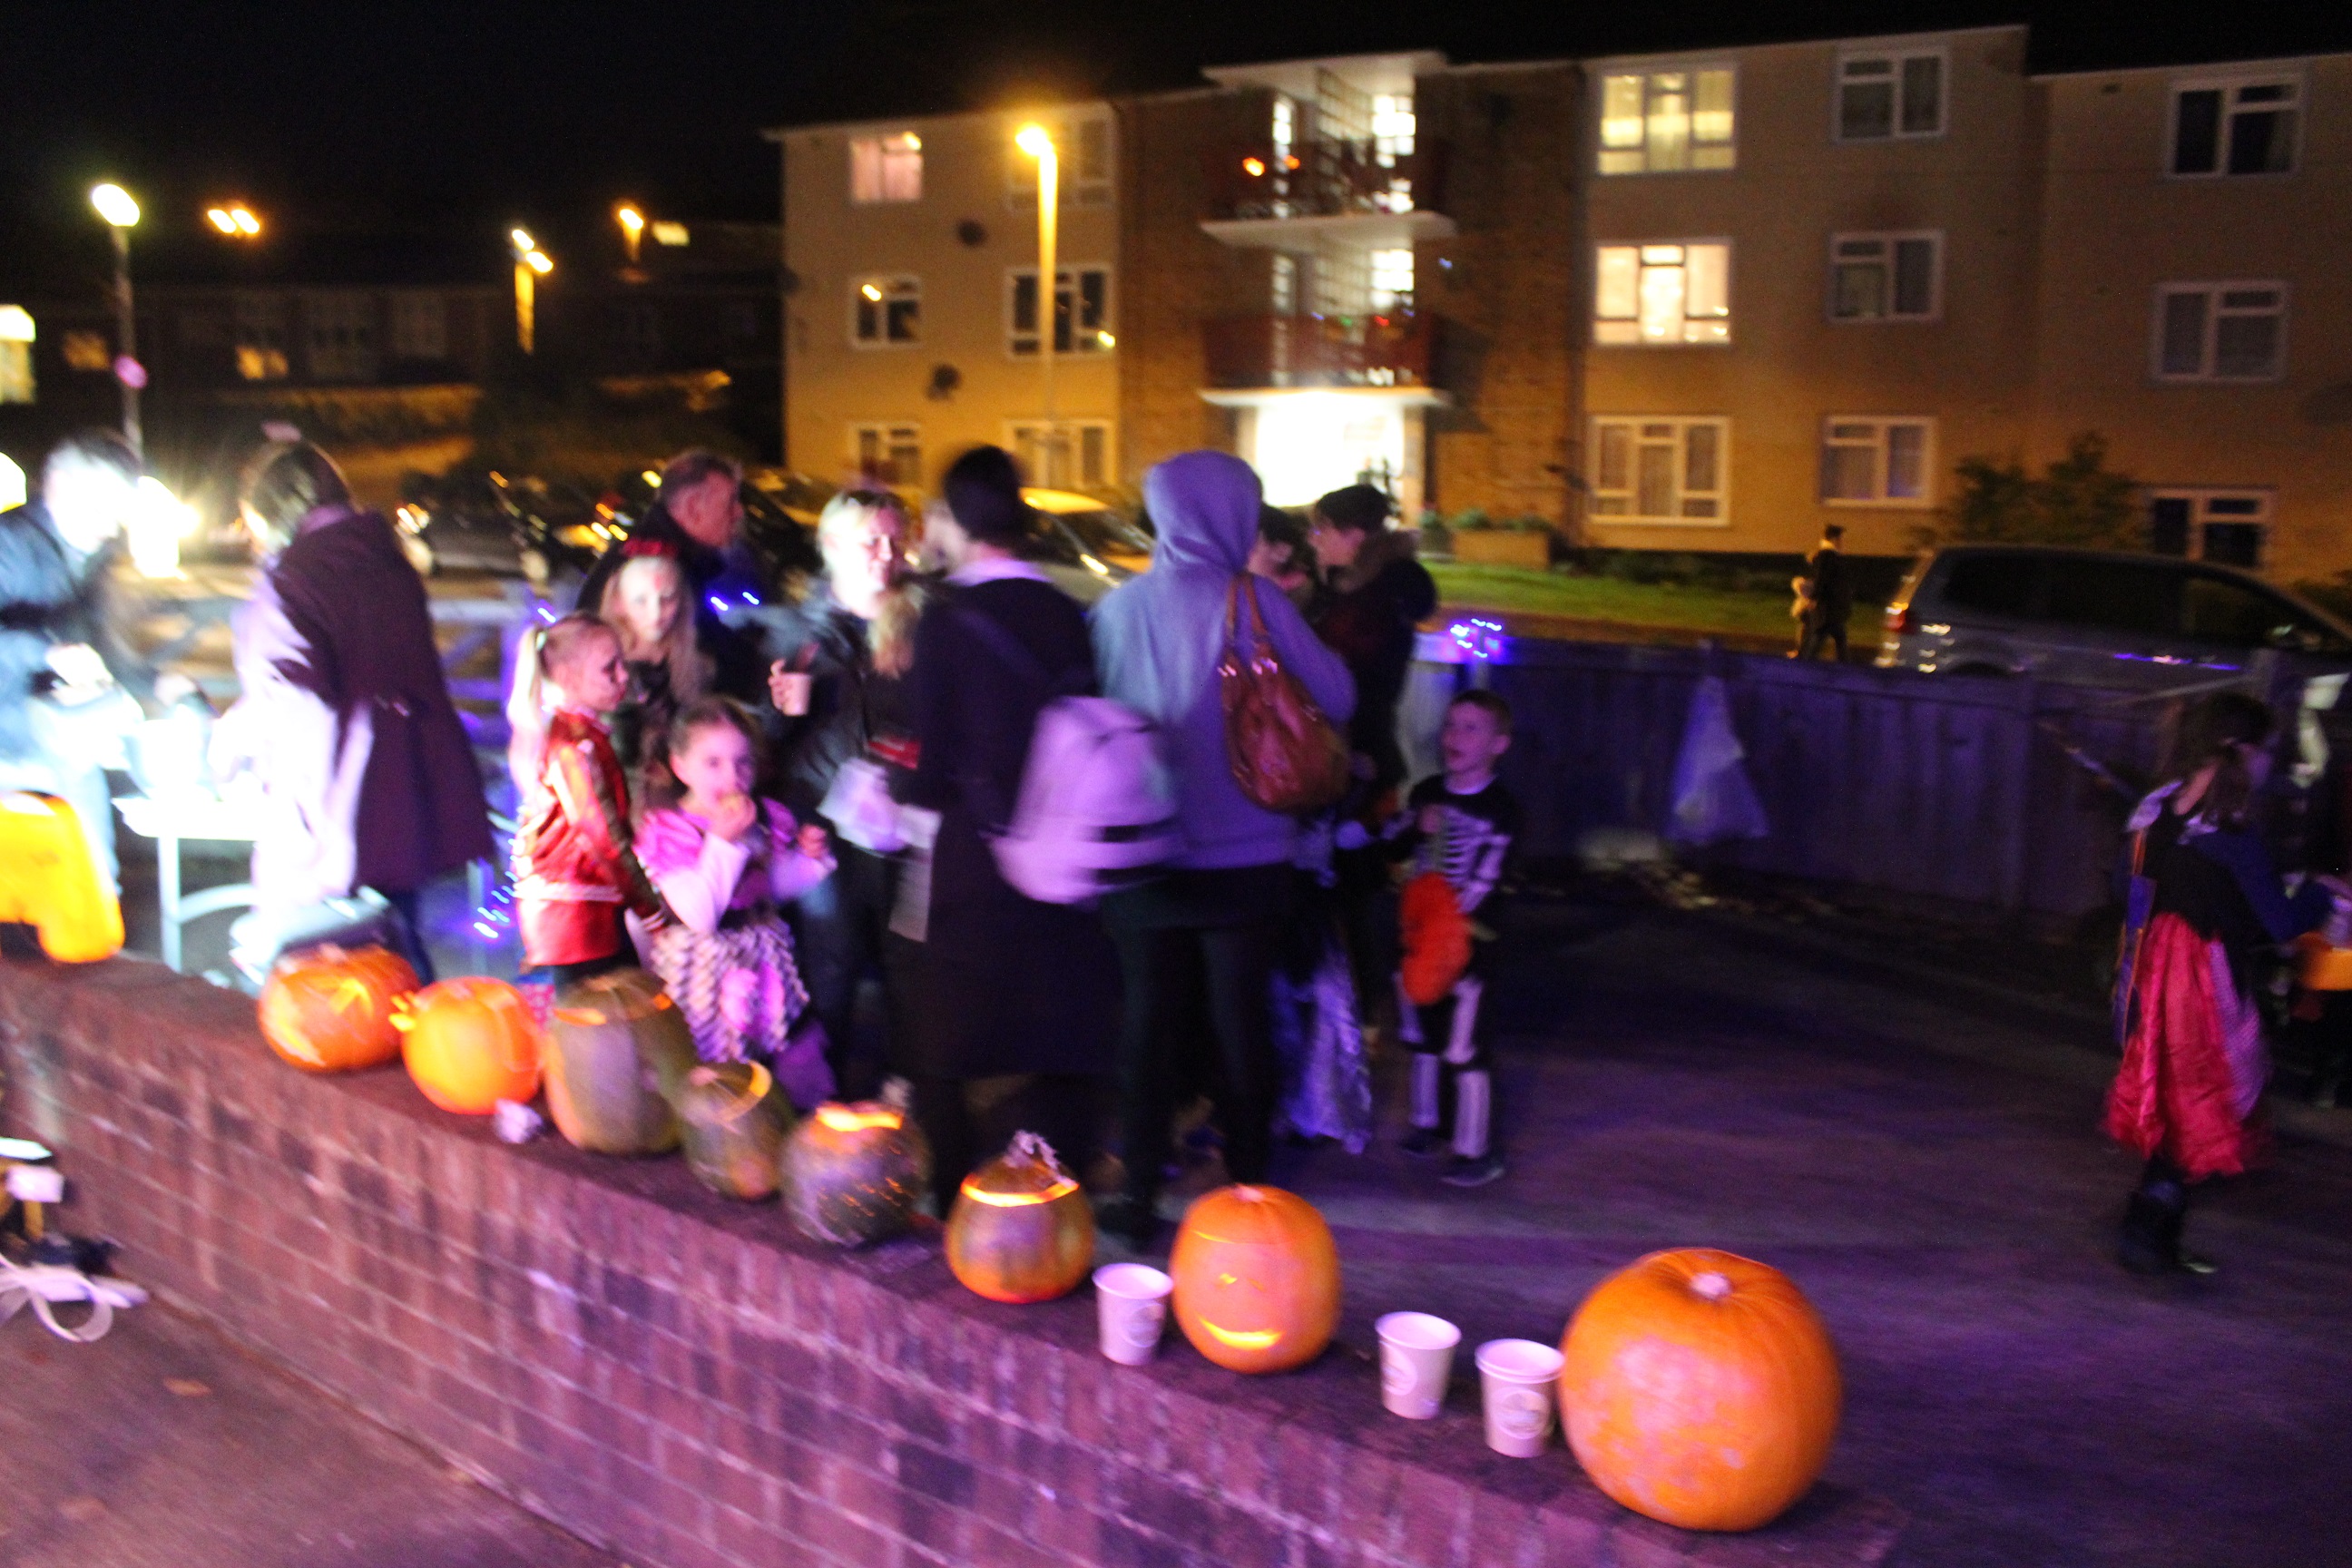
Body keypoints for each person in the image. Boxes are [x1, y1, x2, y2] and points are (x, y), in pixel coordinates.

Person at [1092, 450, 1356, 1247]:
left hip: (1145, 857)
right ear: (1236, 516)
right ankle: (1249, 1188)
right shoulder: (1259, 604)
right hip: (1249, 861)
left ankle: (1137, 1192)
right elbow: (1337, 696)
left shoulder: (1116, 610)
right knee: (1242, 1021)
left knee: (1147, 1023)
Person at [896, 446, 1118, 1213]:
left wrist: (894, 799)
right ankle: (1058, 1185)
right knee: (1059, 1025)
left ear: (956, 521)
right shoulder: (1067, 611)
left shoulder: (947, 619)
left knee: (945, 1032)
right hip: (1064, 848)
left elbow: (929, 763)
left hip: (978, 853)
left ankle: (953, 1187)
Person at [211, 441, 490, 979]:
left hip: (337, 809)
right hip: (409, 793)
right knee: (400, 951)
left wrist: (234, 734)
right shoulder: (390, 566)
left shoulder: (290, 583)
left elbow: (294, 705)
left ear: (271, 514)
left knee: (332, 976)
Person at [2106, 691, 2335, 1275]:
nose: (2267, 765)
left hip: (2149, 977)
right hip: (2202, 988)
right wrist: (2321, 893)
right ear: (2239, 749)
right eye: (2265, 752)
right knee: (2208, 1107)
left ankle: (2147, 1230)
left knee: (2175, 1108)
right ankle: (2148, 1232)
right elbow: (2281, 923)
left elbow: (2129, 891)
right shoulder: (2230, 831)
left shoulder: (2157, 811)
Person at [767, 489, 925, 1099]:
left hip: (899, 820)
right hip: (821, 823)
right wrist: (783, 713)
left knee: (901, 964)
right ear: (832, 547)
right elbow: (760, 739)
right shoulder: (797, 632)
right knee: (829, 960)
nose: (887, 555)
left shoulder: (921, 622)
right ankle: (817, 1099)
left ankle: (903, 1092)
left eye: (895, 539)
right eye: (871, 542)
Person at [0, 430, 160, 893]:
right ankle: (88, 913)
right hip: (13, 736)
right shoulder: (9, 544)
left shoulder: (95, 556)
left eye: (119, 512)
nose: (110, 526)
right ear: (59, 485)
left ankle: (92, 920)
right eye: (100, 507)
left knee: (93, 882)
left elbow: (101, 650)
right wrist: (46, 652)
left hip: (56, 730)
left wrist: (153, 682)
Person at [632, 698, 832, 1067]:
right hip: (701, 970)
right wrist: (722, 843)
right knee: (712, 1064)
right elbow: (699, 915)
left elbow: (770, 888)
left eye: (743, 762)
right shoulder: (672, 831)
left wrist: (807, 860)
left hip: (761, 958)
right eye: (713, 763)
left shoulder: (763, 818)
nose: (732, 777)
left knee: (766, 1057)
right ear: (680, 767)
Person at [1308, 483, 1437, 1017]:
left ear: (1354, 536)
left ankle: (1364, 1005)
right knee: (1347, 882)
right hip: (1355, 750)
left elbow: (1349, 680)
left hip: (1359, 755)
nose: (1313, 541)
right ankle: (1356, 998)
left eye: (1321, 530)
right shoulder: (1349, 592)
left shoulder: (1372, 603)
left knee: (1354, 883)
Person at [1384, 690, 1522, 1187]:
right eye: (1450, 726)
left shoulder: (1503, 809)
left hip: (1467, 950)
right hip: (1417, 943)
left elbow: (1490, 874)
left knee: (1464, 1047)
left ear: (1498, 744)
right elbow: (1394, 846)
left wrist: (1456, 930)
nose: (1454, 737)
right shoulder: (1427, 793)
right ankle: (1427, 1123)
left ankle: (1475, 1149)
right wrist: (1414, 828)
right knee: (1422, 1038)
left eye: (1470, 728)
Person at [510, 613, 673, 1002]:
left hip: (591, 902)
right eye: (608, 668)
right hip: (573, 913)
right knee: (600, 1021)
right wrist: (649, 909)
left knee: (628, 1007)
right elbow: (602, 836)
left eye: (622, 663)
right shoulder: (572, 747)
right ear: (567, 677)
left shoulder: (586, 736)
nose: (622, 677)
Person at [577, 449, 766, 702]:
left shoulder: (672, 555)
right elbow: (707, 653)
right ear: (692, 508)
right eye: (730, 501)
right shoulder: (660, 568)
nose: (739, 512)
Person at [597, 546, 709, 784]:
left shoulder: (697, 662)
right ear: (618, 602)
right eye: (640, 600)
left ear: (682, 599)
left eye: (667, 598)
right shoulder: (602, 665)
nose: (656, 613)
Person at [1794, 524, 1853, 662]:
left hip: (1832, 608)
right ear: (1834, 539)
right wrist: (1814, 599)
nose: (1843, 542)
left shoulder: (1830, 556)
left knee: (1835, 637)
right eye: (1841, 539)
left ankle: (1842, 665)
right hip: (1828, 607)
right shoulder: (1827, 556)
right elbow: (1821, 579)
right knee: (1822, 636)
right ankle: (1806, 665)